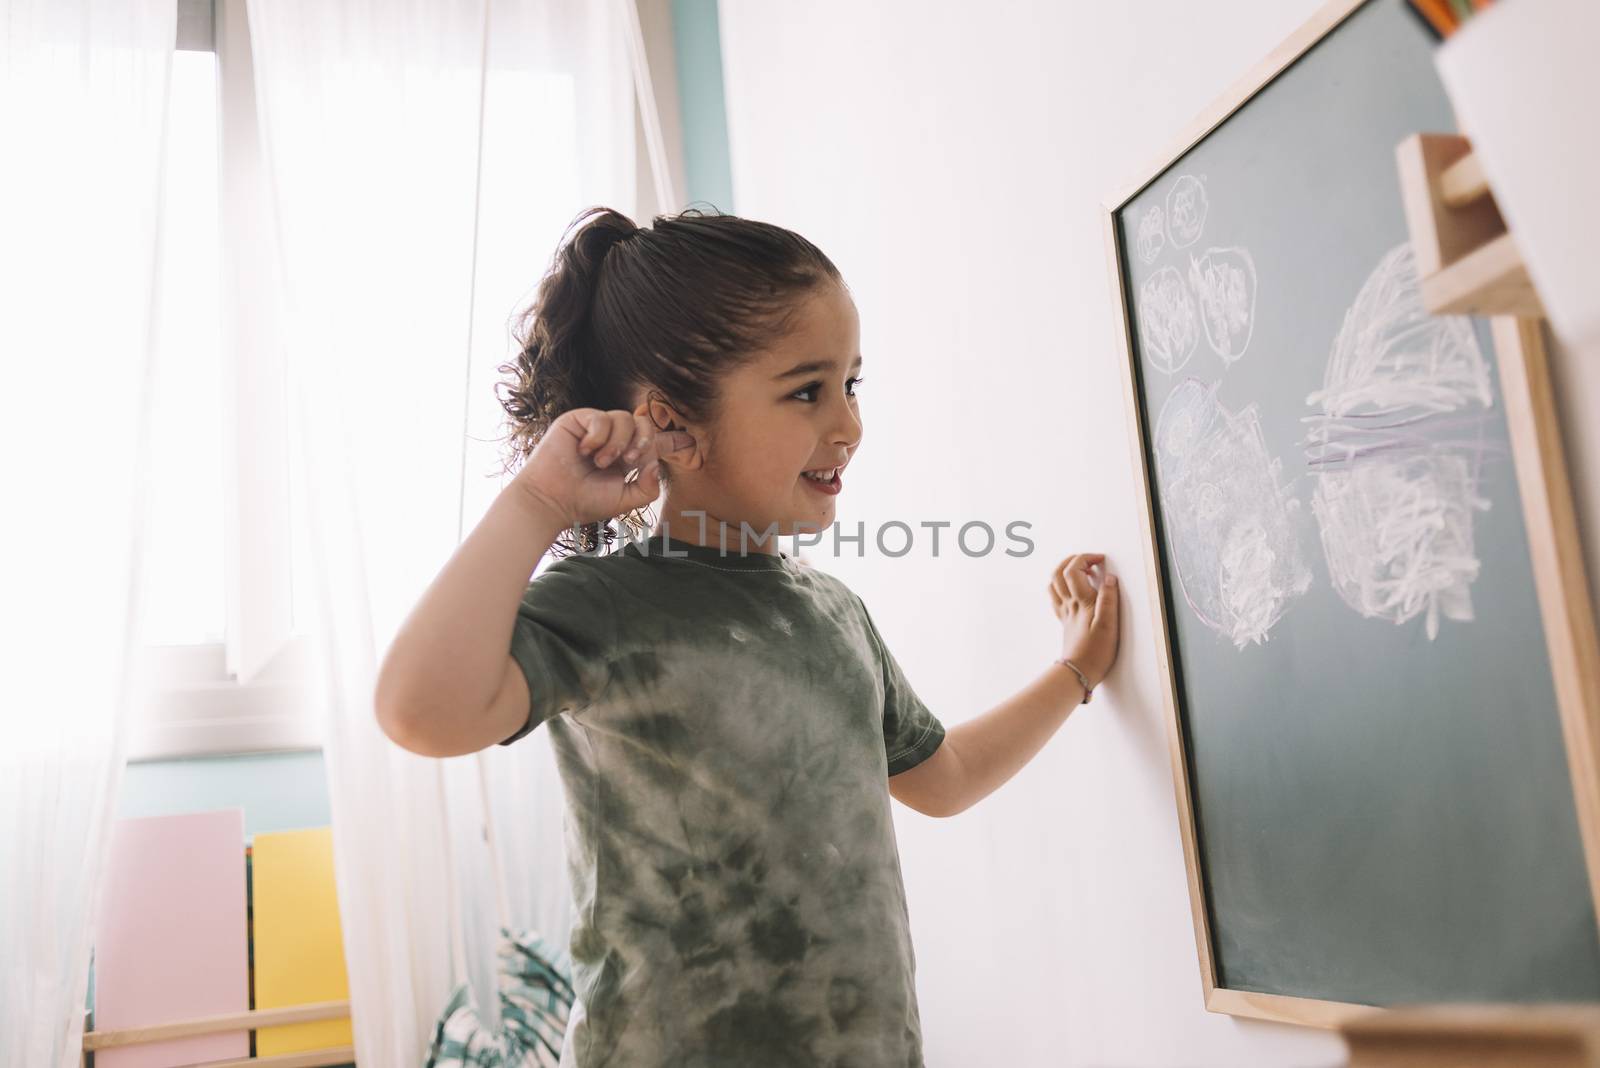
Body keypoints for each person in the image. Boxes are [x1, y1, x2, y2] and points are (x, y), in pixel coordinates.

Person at [375, 204, 1121, 1067]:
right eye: (808, 390)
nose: (848, 424)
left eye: (852, 384)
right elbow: (420, 711)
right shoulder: (607, 604)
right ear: (674, 424)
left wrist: (1077, 670)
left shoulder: (834, 613)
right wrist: (540, 503)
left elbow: (942, 779)